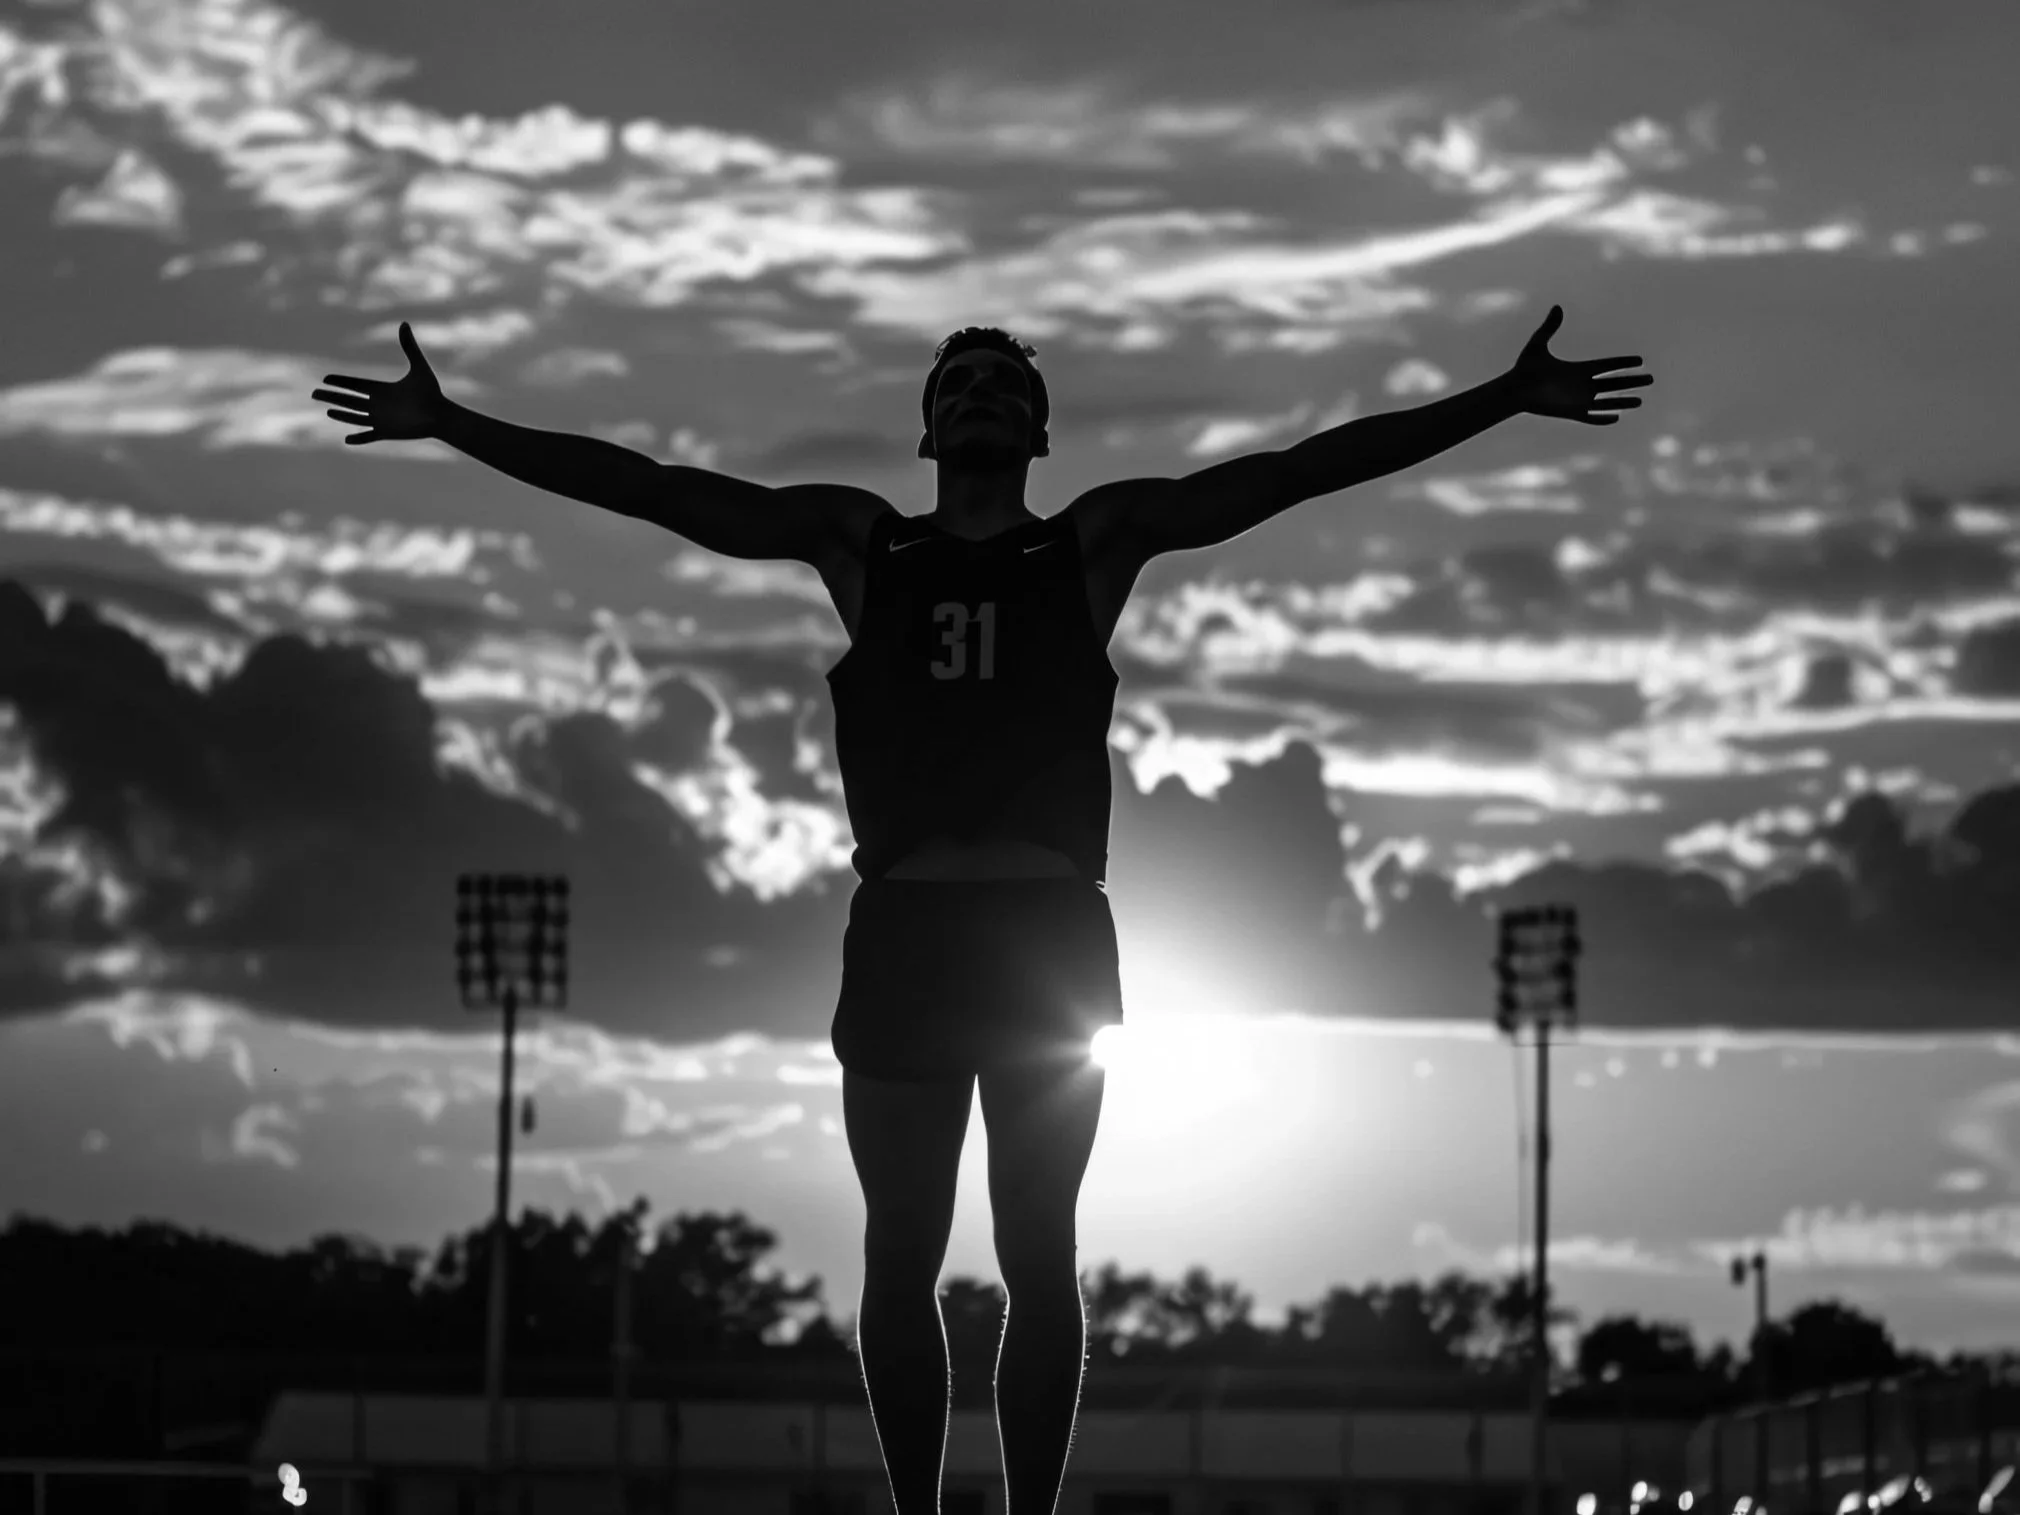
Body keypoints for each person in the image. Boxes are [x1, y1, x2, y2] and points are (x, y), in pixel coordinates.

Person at [311, 309, 1650, 1515]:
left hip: (1045, 940)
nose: (982, 395)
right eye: (961, 381)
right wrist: (456, 425)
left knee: (1037, 1253)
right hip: (902, 929)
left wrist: (1497, 397)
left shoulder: (1094, 541)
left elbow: (1297, 472)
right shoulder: (857, 541)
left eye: (1006, 383)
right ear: (929, 422)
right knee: (900, 1257)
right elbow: (657, 490)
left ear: (1039, 429)